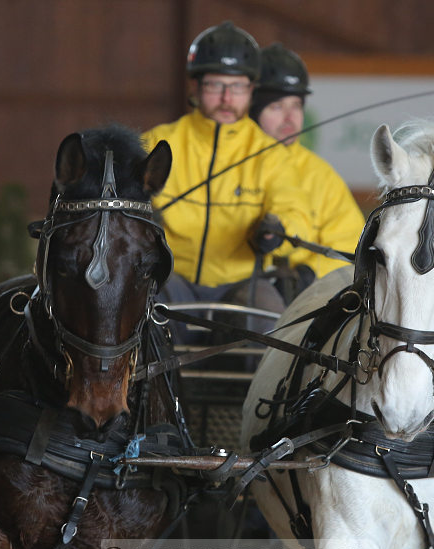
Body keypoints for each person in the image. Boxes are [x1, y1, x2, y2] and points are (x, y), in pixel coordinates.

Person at [143, 22, 312, 343]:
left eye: (237, 87)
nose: (225, 98)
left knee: (269, 319)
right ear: (195, 86)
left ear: (251, 90)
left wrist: (277, 227)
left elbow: (295, 209)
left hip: (241, 282)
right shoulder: (157, 141)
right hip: (171, 277)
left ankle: (257, 396)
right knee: (140, 308)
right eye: (215, 86)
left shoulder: (271, 154)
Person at [250, 42, 364, 292]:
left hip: (301, 302)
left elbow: (350, 248)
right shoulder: (233, 164)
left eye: (297, 106)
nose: (290, 118)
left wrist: (309, 274)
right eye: (277, 106)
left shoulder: (322, 176)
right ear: (252, 109)